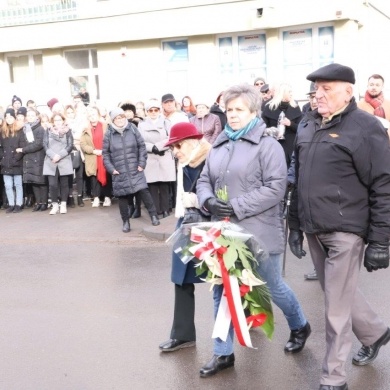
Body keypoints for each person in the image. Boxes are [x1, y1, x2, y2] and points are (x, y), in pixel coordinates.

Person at [196, 83, 310, 378]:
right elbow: (204, 179)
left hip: (259, 232)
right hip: (224, 233)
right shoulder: (219, 143)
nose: (232, 115)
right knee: (221, 291)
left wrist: (235, 205)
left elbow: (276, 187)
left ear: (253, 112)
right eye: (228, 109)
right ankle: (223, 353)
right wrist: (208, 200)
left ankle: (299, 324)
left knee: (271, 288)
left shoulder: (267, 145)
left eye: (239, 110)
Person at [288, 63, 390, 390]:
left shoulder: (364, 126)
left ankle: (334, 378)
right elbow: (298, 177)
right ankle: (375, 331)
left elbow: (383, 183)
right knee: (337, 292)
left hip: (347, 229)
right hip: (313, 224)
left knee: (335, 308)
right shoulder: (307, 124)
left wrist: (380, 240)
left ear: (348, 90)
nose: (318, 94)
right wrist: (294, 224)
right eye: (316, 89)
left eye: (326, 88)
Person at [159, 122, 211, 352]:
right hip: (188, 223)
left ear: (190, 142)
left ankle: (248, 315)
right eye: (173, 147)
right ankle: (183, 334)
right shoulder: (184, 163)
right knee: (180, 276)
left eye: (177, 145)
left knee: (228, 279)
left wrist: (201, 202)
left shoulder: (213, 160)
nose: (175, 151)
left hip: (212, 226)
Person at [102, 108, 160, 232]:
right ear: (113, 120)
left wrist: (141, 164)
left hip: (135, 168)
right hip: (119, 171)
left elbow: (142, 147)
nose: (120, 120)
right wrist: (112, 170)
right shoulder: (109, 134)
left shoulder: (133, 129)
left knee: (144, 192)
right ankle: (125, 222)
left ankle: (153, 216)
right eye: (117, 118)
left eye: (122, 117)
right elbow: (105, 154)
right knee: (122, 197)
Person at [138, 99, 176, 218]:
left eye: (156, 110)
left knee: (164, 185)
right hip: (150, 156)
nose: (154, 112)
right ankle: (156, 210)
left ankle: (165, 209)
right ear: (147, 112)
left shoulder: (166, 122)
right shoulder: (142, 124)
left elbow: (171, 138)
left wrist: (158, 147)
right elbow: (140, 141)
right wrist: (152, 148)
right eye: (151, 110)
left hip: (163, 155)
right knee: (152, 185)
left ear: (159, 110)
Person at [261, 83, 302, 166]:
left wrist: (290, 124)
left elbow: (301, 128)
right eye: (289, 92)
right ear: (283, 93)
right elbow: (262, 127)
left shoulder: (295, 107)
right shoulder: (269, 107)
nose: (291, 94)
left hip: (291, 147)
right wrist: (272, 131)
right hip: (274, 146)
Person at [16, 108, 48, 212]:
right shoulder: (24, 128)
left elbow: (38, 144)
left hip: (38, 158)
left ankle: (44, 203)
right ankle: (38, 202)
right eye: (28, 115)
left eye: (32, 115)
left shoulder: (40, 129)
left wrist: (24, 149)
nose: (30, 117)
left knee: (41, 182)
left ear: (36, 117)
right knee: (34, 182)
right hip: (29, 159)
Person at [43, 112, 74, 215]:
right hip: (50, 160)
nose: (58, 122)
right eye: (56, 120)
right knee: (52, 184)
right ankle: (55, 205)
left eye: (60, 120)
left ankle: (63, 204)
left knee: (64, 184)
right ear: (53, 121)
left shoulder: (68, 131)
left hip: (64, 159)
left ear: (63, 120)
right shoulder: (47, 131)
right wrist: (53, 156)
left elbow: (70, 145)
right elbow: (45, 144)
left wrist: (59, 155)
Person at [80, 106, 111, 208]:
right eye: (90, 115)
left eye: (93, 114)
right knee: (94, 177)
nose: (92, 117)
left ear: (98, 115)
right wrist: (93, 151)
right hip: (93, 156)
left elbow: (110, 140)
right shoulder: (85, 129)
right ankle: (96, 197)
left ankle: (107, 196)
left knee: (106, 175)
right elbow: (83, 145)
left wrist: (104, 150)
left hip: (104, 155)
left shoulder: (106, 126)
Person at [0, 108, 24, 213]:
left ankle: (19, 204)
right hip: (6, 162)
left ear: (14, 118)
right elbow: (1, 147)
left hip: (17, 161)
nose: (9, 119)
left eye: (11, 117)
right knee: (8, 185)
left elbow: (23, 146)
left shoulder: (19, 130)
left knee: (18, 184)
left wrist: (17, 158)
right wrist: (2, 158)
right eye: (7, 117)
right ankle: (11, 203)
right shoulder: (2, 131)